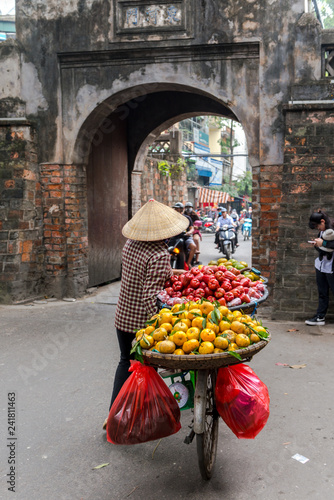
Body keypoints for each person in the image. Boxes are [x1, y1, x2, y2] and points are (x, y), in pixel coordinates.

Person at [103, 199, 188, 429]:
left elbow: (141, 274)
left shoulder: (130, 243)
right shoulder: (159, 253)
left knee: (125, 362)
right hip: (142, 323)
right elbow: (151, 294)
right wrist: (163, 326)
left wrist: (176, 272)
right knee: (145, 367)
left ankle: (114, 414)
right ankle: (139, 416)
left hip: (123, 317)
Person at [305, 210, 334, 326]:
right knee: (322, 293)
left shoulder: (332, 230)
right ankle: (320, 317)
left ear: (322, 221)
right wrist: (317, 245)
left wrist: (324, 244)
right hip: (321, 266)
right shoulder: (322, 232)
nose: (318, 229)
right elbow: (321, 249)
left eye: (317, 226)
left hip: (332, 267)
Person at [173, 202, 197, 269]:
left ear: (181, 209)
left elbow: (192, 228)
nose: (176, 210)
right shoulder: (172, 218)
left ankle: (188, 263)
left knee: (193, 247)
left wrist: (189, 232)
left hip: (185, 237)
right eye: (175, 209)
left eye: (177, 209)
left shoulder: (187, 218)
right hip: (174, 238)